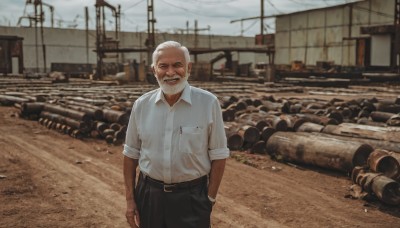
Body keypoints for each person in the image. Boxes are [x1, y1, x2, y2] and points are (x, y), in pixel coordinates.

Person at [123, 40, 229, 228]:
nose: (170, 72)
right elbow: (131, 154)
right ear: (154, 70)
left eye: (177, 65)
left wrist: (209, 199)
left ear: (188, 67)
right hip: (150, 196)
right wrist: (131, 200)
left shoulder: (208, 103)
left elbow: (219, 155)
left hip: (191, 199)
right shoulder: (142, 105)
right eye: (163, 66)